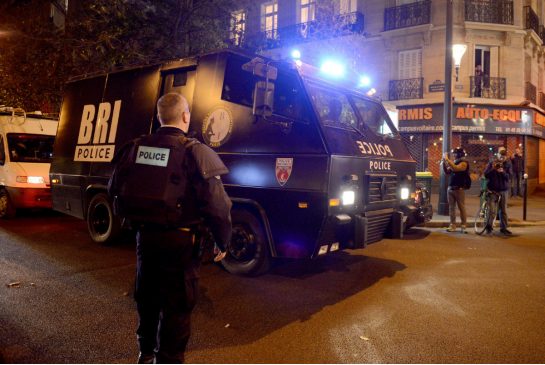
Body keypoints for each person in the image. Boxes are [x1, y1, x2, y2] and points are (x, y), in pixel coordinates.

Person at [108, 93, 232, 363]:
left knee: (147, 297)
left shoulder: (134, 148)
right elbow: (218, 207)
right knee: (177, 306)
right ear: (186, 116)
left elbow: (114, 189)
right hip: (181, 243)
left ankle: (145, 352)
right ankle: (168, 359)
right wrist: (223, 242)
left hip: (145, 238)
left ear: (159, 116)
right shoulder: (194, 152)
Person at [484, 146, 512, 235]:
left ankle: (503, 228)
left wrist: (502, 172)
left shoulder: (508, 164)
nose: (502, 157)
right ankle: (488, 227)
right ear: (498, 154)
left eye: (504, 156)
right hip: (493, 190)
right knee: (492, 210)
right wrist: (493, 169)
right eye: (500, 155)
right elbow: (486, 174)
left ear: (505, 156)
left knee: (503, 210)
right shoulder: (492, 162)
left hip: (503, 190)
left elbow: (509, 177)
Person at [442, 147, 470, 233]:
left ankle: (463, 226)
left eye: (455, 153)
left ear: (460, 154)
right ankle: (452, 225)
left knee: (461, 208)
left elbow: (456, 168)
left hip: (459, 189)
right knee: (451, 208)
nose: (454, 155)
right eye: (453, 153)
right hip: (451, 188)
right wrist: (444, 162)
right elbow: (447, 172)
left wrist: (447, 159)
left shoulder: (464, 163)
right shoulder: (454, 162)